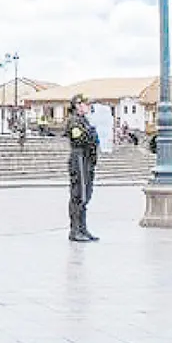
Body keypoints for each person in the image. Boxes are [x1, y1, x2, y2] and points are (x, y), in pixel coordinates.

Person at [66, 93, 99, 242]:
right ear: (78, 105)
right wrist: (91, 132)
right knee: (79, 194)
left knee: (86, 195)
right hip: (79, 158)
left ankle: (82, 228)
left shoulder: (85, 121)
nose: (89, 107)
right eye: (87, 104)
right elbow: (79, 139)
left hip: (87, 159)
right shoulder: (74, 121)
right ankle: (75, 230)